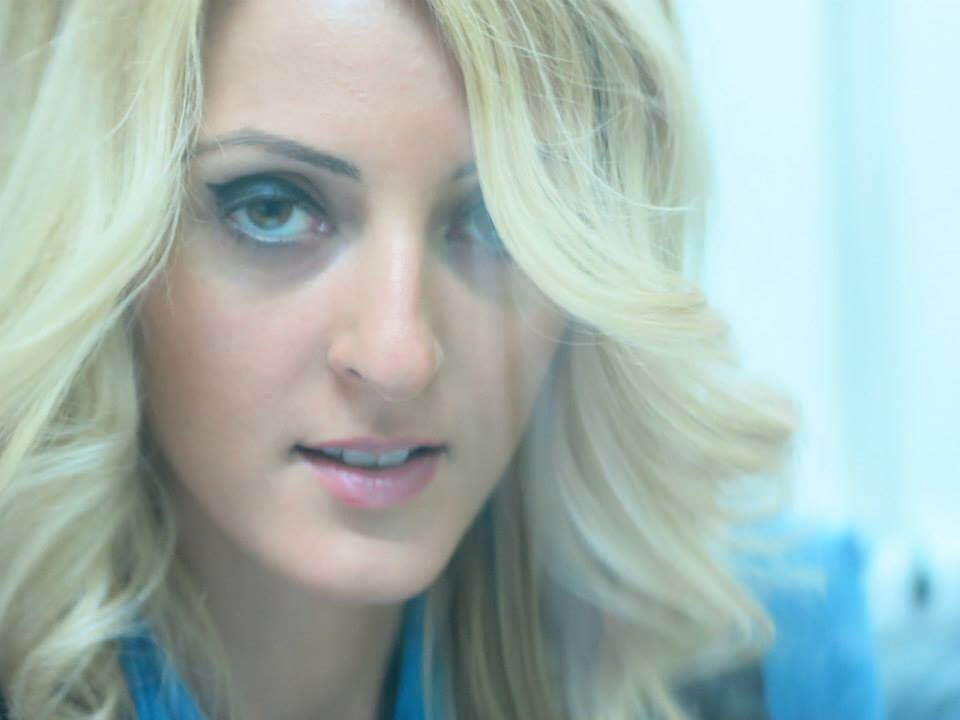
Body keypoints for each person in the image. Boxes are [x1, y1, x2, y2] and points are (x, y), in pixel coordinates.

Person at [0, 1, 882, 718]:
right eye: (272, 208)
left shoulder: (753, 655)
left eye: (498, 219)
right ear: (96, 238)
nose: (398, 356)